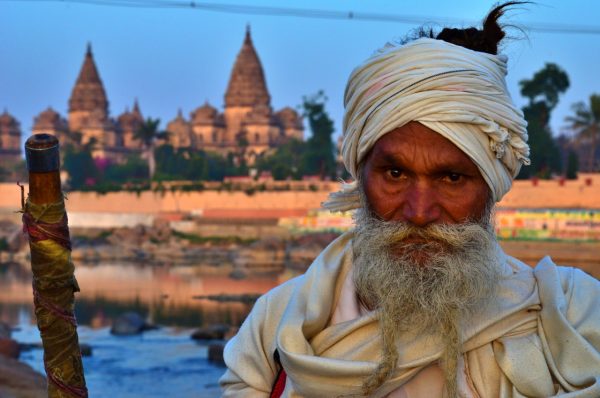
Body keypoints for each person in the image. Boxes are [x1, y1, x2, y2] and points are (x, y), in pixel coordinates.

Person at [220, 3, 600, 397]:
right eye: (395, 174)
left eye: (452, 178)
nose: (419, 212)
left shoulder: (571, 318)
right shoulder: (276, 327)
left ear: (492, 185)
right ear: (359, 175)